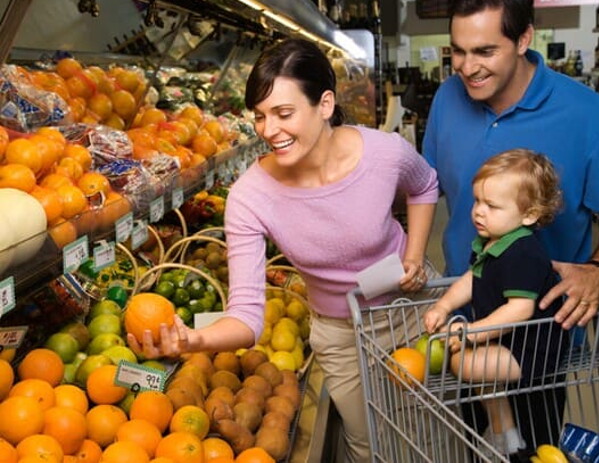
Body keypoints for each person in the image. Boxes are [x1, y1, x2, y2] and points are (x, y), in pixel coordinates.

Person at [128, 37, 440, 462]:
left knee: (430, 429)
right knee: (370, 446)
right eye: (259, 116)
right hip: (341, 332)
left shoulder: (383, 153)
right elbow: (247, 316)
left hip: (412, 309)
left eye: (284, 113)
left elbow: (424, 186)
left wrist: (415, 256)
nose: (268, 131)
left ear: (325, 104)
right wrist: (192, 339)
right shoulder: (250, 197)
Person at [422, 0, 599, 332]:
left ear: (524, 39)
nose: (467, 68)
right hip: (460, 312)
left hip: (541, 331)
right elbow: (425, 185)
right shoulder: (446, 98)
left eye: (484, 51)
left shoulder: (586, 113)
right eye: (458, 51)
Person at [424, 148, 568, 456]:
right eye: (477, 200)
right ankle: (505, 431)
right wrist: (444, 306)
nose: (478, 211)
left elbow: (520, 309)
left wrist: (470, 332)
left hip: (533, 348)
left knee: (465, 361)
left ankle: (505, 433)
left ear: (529, 215)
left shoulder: (524, 253)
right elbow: (471, 280)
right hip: (508, 341)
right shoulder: (492, 241)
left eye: (491, 205)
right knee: (467, 358)